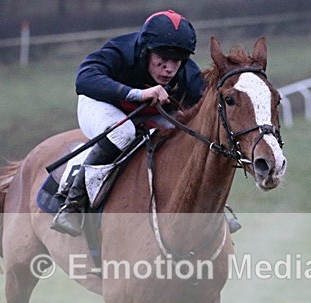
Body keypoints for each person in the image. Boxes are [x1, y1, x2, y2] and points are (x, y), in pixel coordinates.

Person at [51, 9, 205, 237]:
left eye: (177, 60)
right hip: (99, 105)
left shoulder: (188, 75)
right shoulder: (120, 51)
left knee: (185, 138)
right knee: (123, 132)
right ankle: (72, 205)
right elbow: (84, 78)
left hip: (147, 115)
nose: (170, 69)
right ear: (146, 51)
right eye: (162, 58)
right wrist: (136, 94)